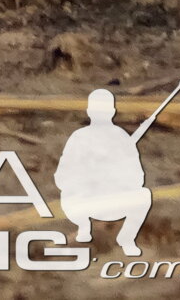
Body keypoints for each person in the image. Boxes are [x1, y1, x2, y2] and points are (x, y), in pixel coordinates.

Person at [56, 88, 153, 256]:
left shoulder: (121, 138)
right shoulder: (79, 138)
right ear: (89, 111)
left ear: (112, 111)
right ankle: (84, 229)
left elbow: (138, 176)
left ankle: (126, 238)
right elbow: (62, 175)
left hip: (114, 200)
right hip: (83, 201)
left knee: (144, 195)